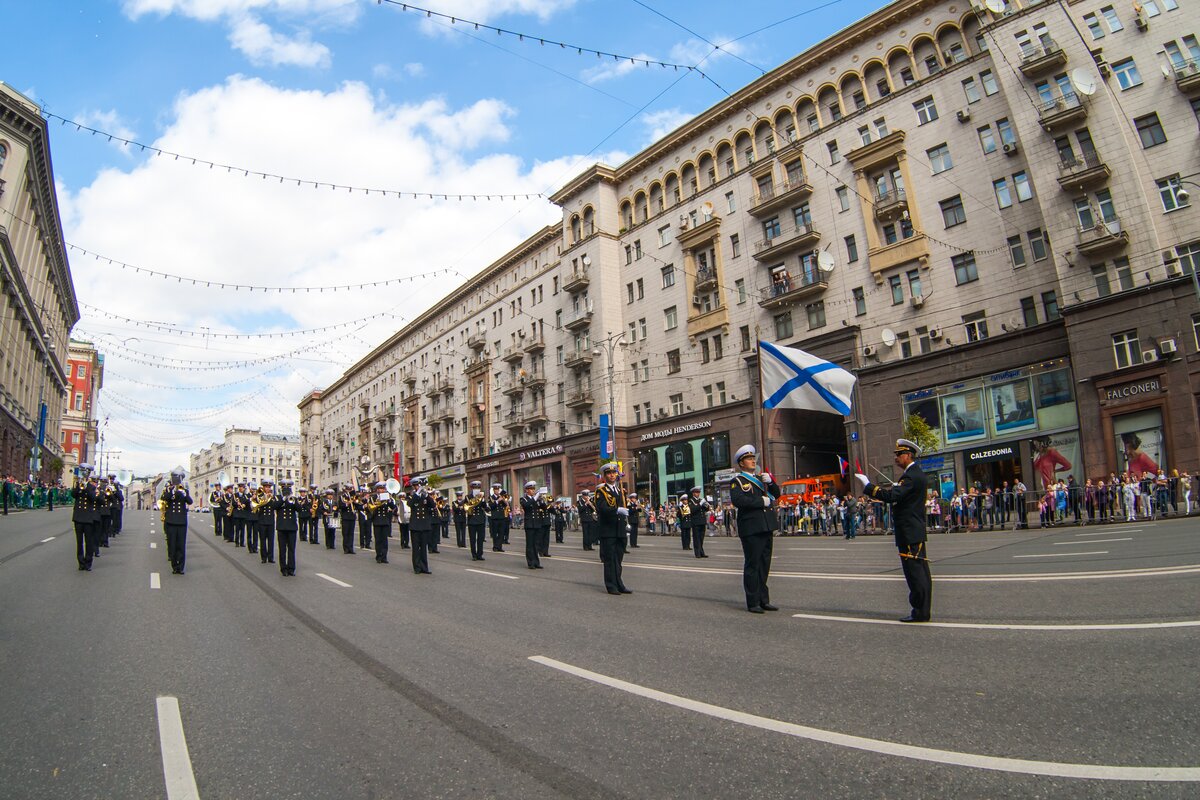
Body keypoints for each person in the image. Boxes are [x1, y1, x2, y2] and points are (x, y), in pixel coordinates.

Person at [857, 439, 931, 622]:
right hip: (913, 530)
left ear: (908, 455)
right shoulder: (914, 474)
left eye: (899, 454)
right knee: (920, 572)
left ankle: (920, 612)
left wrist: (868, 487)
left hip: (909, 531)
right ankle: (922, 611)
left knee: (915, 574)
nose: (896, 458)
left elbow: (891, 496)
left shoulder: (910, 477)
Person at [729, 445, 781, 614]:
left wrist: (770, 482)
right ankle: (753, 602)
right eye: (749, 459)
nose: (753, 461)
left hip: (766, 526)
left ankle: (764, 600)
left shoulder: (761, 479)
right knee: (753, 565)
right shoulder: (737, 481)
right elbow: (739, 501)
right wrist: (761, 502)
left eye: (753, 458)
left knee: (764, 565)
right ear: (741, 463)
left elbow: (777, 494)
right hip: (751, 528)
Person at [592, 462, 631, 594]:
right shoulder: (601, 491)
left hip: (619, 529)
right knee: (609, 560)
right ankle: (611, 585)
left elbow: (624, 507)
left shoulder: (620, 490)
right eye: (609, 473)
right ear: (604, 476)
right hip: (608, 530)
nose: (612, 475)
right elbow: (602, 508)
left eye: (614, 473)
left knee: (618, 560)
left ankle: (619, 583)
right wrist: (617, 510)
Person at [160, 470, 193, 575]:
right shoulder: (169, 490)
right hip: (171, 521)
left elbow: (190, 501)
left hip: (181, 521)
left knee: (181, 545)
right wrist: (172, 491)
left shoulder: (184, 490)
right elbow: (164, 498)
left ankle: (181, 567)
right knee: (173, 544)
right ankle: (174, 566)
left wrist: (184, 494)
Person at [71, 468, 100, 571]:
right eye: (83, 472)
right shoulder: (78, 484)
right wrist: (78, 486)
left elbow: (93, 498)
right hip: (78, 517)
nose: (85, 474)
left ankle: (88, 562)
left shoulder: (92, 487)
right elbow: (73, 495)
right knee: (79, 542)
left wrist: (86, 486)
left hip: (88, 518)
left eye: (86, 473)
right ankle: (80, 562)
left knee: (89, 541)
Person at [407, 477, 435, 574]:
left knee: (423, 548)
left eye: (419, 485)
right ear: (413, 486)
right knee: (416, 548)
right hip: (415, 525)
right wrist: (417, 494)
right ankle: (417, 567)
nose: (417, 487)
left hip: (424, 525)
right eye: (416, 485)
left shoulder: (425, 496)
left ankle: (424, 567)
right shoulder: (411, 496)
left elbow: (433, 505)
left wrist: (427, 495)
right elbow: (410, 504)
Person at [274, 479, 300, 577]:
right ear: (281, 489)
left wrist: (293, 500)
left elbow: (299, 509)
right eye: (284, 488)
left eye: (288, 488)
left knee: (291, 549)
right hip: (282, 527)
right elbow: (274, 506)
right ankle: (283, 568)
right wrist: (283, 499)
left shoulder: (294, 498)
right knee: (282, 549)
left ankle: (291, 568)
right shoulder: (277, 498)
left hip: (292, 527)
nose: (286, 490)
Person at [519, 481, 545, 569]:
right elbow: (526, 506)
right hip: (529, 524)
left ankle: (536, 562)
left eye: (534, 489)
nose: (533, 490)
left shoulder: (537, 499)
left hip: (537, 524)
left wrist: (542, 500)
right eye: (531, 489)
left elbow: (544, 508)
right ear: (527, 490)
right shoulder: (523, 499)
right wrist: (535, 497)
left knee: (536, 544)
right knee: (530, 544)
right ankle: (530, 563)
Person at [369, 481, 397, 565]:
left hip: (385, 521)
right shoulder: (373, 498)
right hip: (377, 521)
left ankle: (384, 557)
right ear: (377, 490)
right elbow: (370, 508)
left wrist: (389, 501)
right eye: (380, 489)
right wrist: (377, 504)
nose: (382, 490)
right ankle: (378, 556)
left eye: (383, 489)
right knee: (378, 540)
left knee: (384, 540)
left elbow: (393, 507)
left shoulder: (387, 497)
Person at [684, 487, 710, 558]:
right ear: (693, 493)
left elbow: (706, 509)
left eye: (699, 492)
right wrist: (700, 504)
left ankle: (701, 552)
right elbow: (692, 510)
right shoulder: (691, 501)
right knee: (696, 538)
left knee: (701, 538)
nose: (698, 494)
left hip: (702, 521)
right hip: (695, 522)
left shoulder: (701, 500)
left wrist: (707, 505)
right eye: (696, 492)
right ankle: (697, 553)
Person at [465, 481, 488, 560]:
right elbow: (466, 508)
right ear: (472, 488)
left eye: (478, 488)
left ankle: (479, 554)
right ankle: (474, 555)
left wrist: (483, 502)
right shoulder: (468, 497)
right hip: (472, 520)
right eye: (475, 488)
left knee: (480, 539)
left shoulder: (482, 496)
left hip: (480, 520)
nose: (477, 489)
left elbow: (486, 508)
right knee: (472, 539)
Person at [486, 483, 507, 552]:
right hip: (495, 517)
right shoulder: (491, 497)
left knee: (501, 533)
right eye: (496, 489)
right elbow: (491, 506)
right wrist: (497, 501)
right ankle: (495, 546)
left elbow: (506, 505)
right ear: (494, 490)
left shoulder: (501, 496)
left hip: (501, 517)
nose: (497, 491)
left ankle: (499, 546)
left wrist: (503, 500)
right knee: (495, 533)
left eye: (498, 489)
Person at [338, 485, 357, 554]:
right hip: (345, 517)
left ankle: (351, 548)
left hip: (352, 516)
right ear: (345, 490)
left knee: (351, 533)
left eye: (350, 489)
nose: (349, 491)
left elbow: (357, 505)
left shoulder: (353, 497)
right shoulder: (342, 497)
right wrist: (348, 503)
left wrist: (355, 502)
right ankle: (346, 548)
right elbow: (340, 506)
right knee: (345, 533)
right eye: (348, 489)